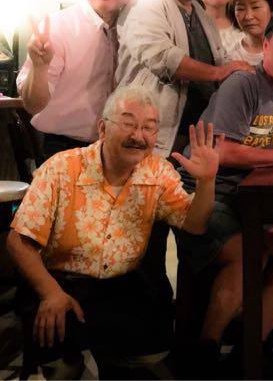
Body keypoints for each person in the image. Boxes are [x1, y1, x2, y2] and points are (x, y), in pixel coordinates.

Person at [7, 86, 221, 379]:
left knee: (151, 366)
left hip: (122, 288)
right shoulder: (61, 167)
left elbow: (195, 224)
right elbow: (18, 241)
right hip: (59, 283)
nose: (138, 136)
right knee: (63, 367)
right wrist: (50, 293)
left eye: (148, 127)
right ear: (103, 128)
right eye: (128, 123)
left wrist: (207, 182)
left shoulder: (158, 172)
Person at [175, 12, 273, 379]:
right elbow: (224, 151)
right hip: (207, 192)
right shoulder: (242, 83)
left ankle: (248, 353)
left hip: (251, 198)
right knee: (251, 252)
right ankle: (204, 353)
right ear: (266, 45)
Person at [116, 0, 253, 156]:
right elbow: (162, 57)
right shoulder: (147, 2)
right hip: (145, 138)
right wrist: (218, 73)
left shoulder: (201, 15)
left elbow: (223, 61)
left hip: (189, 142)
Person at [17, 0, 138, 159]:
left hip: (115, 148)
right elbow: (33, 105)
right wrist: (40, 67)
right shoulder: (57, 27)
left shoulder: (134, 28)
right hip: (64, 147)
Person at [222, 0, 273, 65]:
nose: (248, 16)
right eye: (240, 9)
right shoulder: (230, 56)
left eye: (255, 7)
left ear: (271, 9)